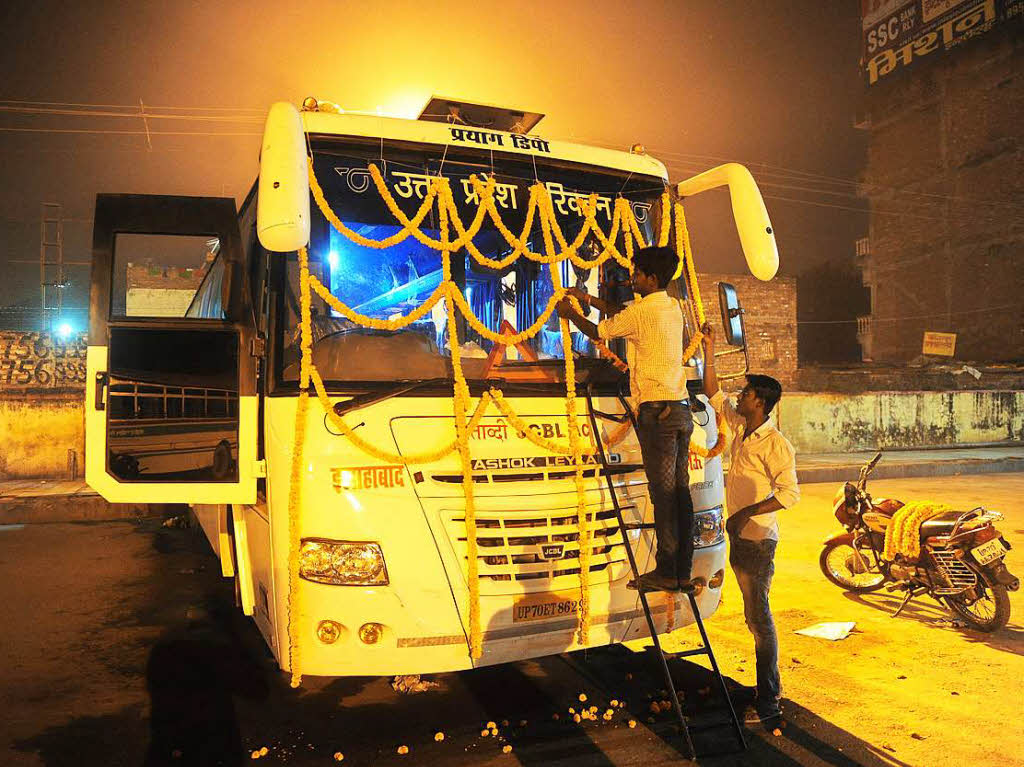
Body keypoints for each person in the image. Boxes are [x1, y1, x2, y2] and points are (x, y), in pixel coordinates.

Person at [556, 245, 696, 593]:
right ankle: (683, 570)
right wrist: (586, 297)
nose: (632, 278)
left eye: (636, 273)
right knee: (681, 494)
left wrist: (570, 313)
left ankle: (666, 571)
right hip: (680, 410)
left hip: (657, 413)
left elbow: (601, 332)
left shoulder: (640, 313)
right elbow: (621, 312)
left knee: (662, 496)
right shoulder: (671, 306)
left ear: (650, 277)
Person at [700, 320, 799, 724]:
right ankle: (763, 692)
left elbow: (790, 494)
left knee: (760, 620)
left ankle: (769, 702)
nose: (739, 397)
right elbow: (712, 392)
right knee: (750, 617)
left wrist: (745, 512)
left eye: (745, 393)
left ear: (759, 401)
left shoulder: (776, 444)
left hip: (758, 542)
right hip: (738, 539)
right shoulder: (743, 430)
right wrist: (708, 348)